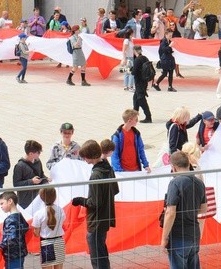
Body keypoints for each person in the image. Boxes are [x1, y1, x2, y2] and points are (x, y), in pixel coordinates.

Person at [72, 140, 120, 269]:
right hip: (106, 217)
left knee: (97, 257)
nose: (84, 160)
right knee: (102, 253)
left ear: (91, 156)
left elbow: (94, 202)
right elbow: (115, 190)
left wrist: (80, 200)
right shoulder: (108, 168)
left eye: (85, 157)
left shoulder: (95, 175)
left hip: (96, 220)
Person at [160, 151, 207, 269]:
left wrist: (164, 238)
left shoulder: (175, 183)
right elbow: (203, 209)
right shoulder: (199, 183)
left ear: (173, 167)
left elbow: (170, 212)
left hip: (178, 235)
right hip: (194, 233)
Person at [33, 187, 66, 269]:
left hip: (46, 243)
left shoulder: (39, 214)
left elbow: (36, 233)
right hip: (59, 241)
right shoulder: (61, 210)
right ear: (55, 197)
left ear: (41, 198)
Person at [13, 140, 49, 209]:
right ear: (31, 154)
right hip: (25, 202)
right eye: (38, 152)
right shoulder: (19, 166)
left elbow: (41, 174)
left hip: (38, 199)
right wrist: (31, 181)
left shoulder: (38, 161)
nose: (39, 154)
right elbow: (16, 184)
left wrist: (46, 179)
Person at [0, 191, 29, 269]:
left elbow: (11, 239)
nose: (1, 206)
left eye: (2, 203)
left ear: (10, 201)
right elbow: (26, 227)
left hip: (12, 255)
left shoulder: (10, 220)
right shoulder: (19, 215)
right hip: (20, 253)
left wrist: (1, 245)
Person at [131, 45, 153, 122]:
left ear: (134, 51)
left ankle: (148, 117)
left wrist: (129, 71)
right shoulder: (145, 58)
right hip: (144, 81)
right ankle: (134, 117)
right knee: (135, 98)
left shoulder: (137, 60)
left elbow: (134, 72)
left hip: (139, 82)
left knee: (141, 100)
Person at [120, 27, 135, 92]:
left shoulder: (130, 40)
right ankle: (130, 86)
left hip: (131, 57)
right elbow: (124, 50)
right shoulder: (126, 41)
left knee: (127, 72)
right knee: (131, 72)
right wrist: (124, 58)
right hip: (128, 58)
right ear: (130, 34)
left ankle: (126, 86)